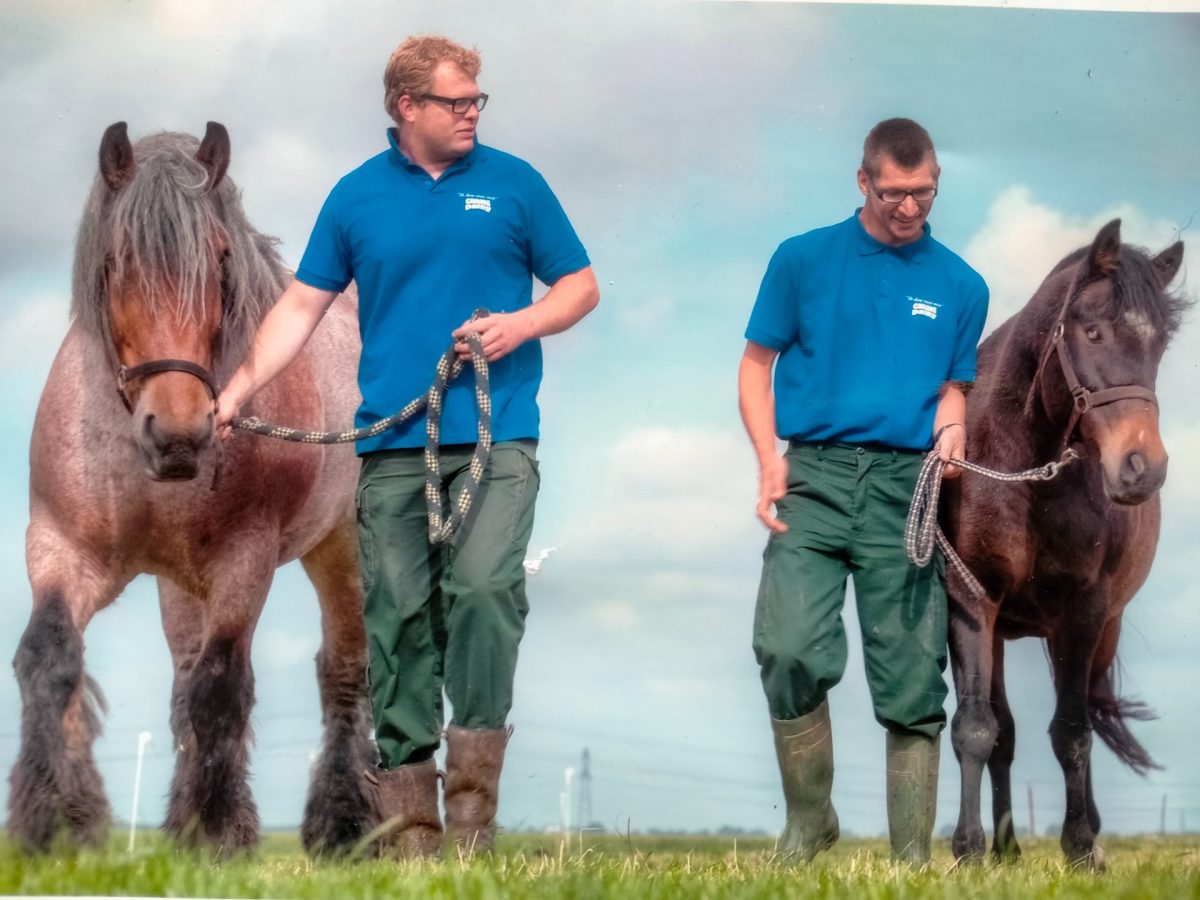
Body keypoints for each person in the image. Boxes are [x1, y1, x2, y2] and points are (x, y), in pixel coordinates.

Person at [216, 35, 599, 859]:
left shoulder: (515, 184)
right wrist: (240, 386)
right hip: (392, 446)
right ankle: (413, 841)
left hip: (500, 438)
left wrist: (520, 323)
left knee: (486, 592)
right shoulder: (355, 197)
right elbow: (300, 307)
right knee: (393, 622)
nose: (472, 113)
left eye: (476, 101)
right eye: (457, 101)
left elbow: (580, 285)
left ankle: (471, 827)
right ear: (406, 108)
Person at [737, 118, 988, 863]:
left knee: (913, 681)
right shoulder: (801, 260)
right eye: (893, 193)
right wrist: (766, 459)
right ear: (862, 181)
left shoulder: (962, 284)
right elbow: (756, 366)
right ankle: (809, 823)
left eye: (923, 192)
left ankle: (909, 862)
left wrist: (954, 429)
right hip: (810, 476)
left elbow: (953, 389)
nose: (909, 206)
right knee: (785, 648)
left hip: (902, 491)